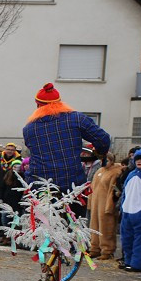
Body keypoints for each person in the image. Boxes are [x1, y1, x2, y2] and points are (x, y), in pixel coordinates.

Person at [22, 83, 111, 213]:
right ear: (60, 103)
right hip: (72, 185)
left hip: (41, 187)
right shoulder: (76, 119)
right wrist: (99, 153)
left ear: (38, 105)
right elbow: (103, 139)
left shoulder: (29, 128)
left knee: (42, 228)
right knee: (75, 226)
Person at [86, 153, 124, 261]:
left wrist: (110, 206)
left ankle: (107, 250)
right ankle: (94, 248)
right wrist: (90, 202)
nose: (105, 162)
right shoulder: (99, 171)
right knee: (94, 226)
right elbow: (92, 188)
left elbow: (113, 190)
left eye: (107, 160)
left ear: (112, 160)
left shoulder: (116, 172)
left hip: (106, 204)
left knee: (106, 227)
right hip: (95, 203)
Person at [119, 149, 141, 272]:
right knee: (126, 238)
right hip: (127, 212)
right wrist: (122, 209)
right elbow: (125, 193)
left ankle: (137, 264)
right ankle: (128, 261)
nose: (139, 161)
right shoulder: (131, 174)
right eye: (137, 159)